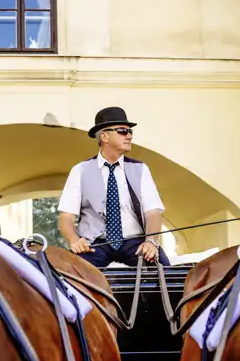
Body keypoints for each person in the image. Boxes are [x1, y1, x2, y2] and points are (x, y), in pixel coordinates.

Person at [58, 106, 171, 268]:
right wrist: (74, 240)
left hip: (134, 241)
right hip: (94, 244)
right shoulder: (80, 170)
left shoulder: (140, 169)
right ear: (104, 136)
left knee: (165, 275)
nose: (129, 136)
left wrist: (151, 241)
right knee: (69, 275)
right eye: (123, 131)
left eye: (130, 132)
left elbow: (153, 211)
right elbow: (66, 216)